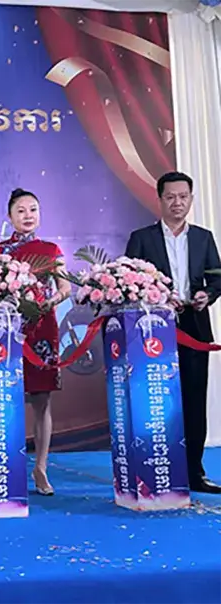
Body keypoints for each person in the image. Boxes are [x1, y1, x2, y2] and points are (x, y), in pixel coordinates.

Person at [125, 171, 221, 494]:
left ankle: (194, 472)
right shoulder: (142, 238)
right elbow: (129, 282)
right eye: (170, 197)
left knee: (194, 400)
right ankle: (157, 471)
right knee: (156, 402)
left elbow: (217, 277)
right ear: (160, 199)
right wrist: (159, 298)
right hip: (153, 331)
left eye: (183, 197)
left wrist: (208, 294)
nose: (177, 203)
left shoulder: (204, 238)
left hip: (194, 328)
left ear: (191, 199)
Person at [0, 188, 71, 496]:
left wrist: (51, 301)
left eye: (33, 209)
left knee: (42, 399)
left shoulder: (51, 249)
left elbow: (65, 288)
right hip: (7, 329)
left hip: (42, 327)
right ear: (9, 216)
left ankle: (41, 467)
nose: (28, 215)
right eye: (21, 210)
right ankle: (7, 465)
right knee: (5, 399)